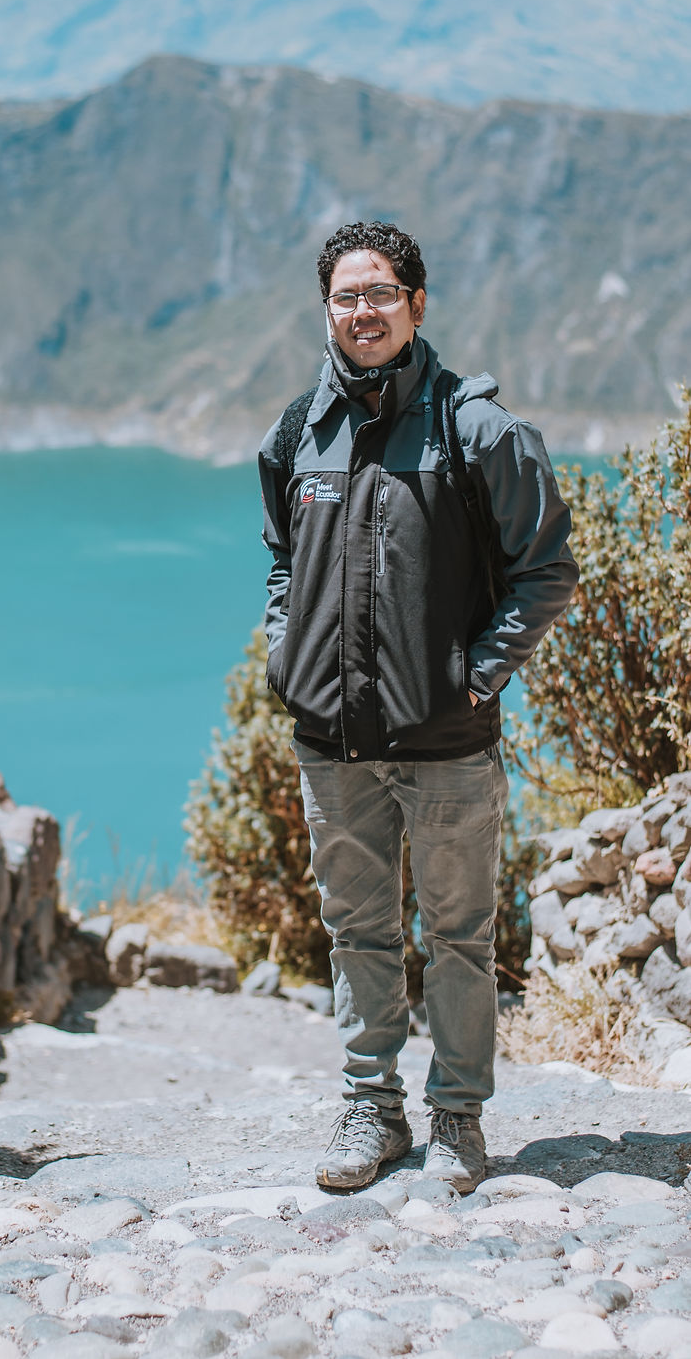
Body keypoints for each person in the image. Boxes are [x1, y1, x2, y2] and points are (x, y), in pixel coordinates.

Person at [258, 221, 578, 1193]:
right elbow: (282, 560)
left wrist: (476, 675)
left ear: (415, 305)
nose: (363, 311)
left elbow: (544, 571)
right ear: (327, 310)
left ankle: (455, 1123)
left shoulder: (475, 429)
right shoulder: (295, 432)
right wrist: (289, 656)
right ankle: (369, 1114)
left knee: (456, 939)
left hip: (444, 741)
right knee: (354, 936)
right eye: (346, 297)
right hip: (331, 740)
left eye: (380, 294)